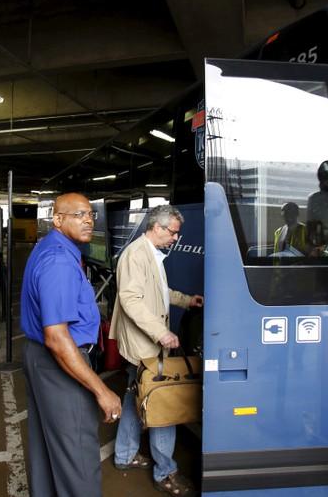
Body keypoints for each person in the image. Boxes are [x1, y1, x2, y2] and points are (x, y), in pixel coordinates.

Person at [20, 192, 121, 497]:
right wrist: (102, 390)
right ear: (58, 219)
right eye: (79, 215)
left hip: (43, 358)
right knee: (77, 455)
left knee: (48, 447)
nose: (88, 220)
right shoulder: (59, 261)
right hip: (61, 361)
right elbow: (57, 337)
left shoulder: (52, 248)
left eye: (90, 214)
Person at [110, 204, 203, 496]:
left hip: (143, 346)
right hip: (144, 346)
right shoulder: (136, 255)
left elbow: (159, 292)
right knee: (163, 402)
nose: (175, 238)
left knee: (135, 396)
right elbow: (132, 300)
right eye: (173, 232)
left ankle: (125, 454)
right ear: (157, 227)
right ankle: (166, 473)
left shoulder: (151, 253)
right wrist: (161, 332)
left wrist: (186, 300)